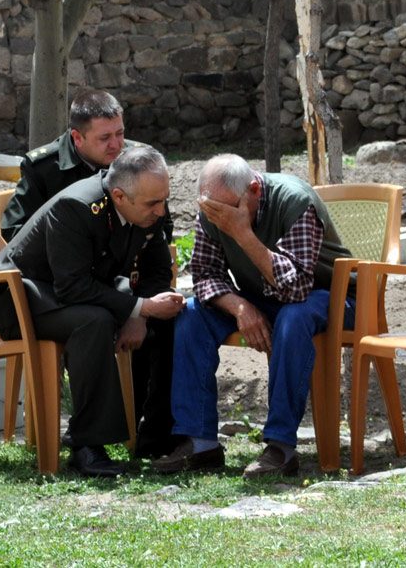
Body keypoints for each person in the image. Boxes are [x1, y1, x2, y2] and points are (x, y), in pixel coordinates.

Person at [0, 146, 185, 477]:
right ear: (119, 196)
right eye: (153, 204)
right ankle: (86, 444)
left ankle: (158, 435)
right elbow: (72, 287)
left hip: (70, 295)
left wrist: (142, 315)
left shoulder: (144, 204)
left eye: (164, 200)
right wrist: (140, 307)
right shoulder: (76, 207)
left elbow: (158, 270)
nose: (161, 211)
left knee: (170, 319)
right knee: (94, 322)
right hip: (18, 299)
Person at [152, 154, 355, 478]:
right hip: (263, 298)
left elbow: (297, 288)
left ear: (255, 190)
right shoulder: (215, 210)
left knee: (293, 318)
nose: (220, 219)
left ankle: (281, 447)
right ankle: (200, 442)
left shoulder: (296, 202)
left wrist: (243, 233)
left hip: (331, 297)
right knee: (191, 314)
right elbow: (204, 274)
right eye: (212, 211)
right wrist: (240, 307)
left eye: (227, 211)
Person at [0, 88, 174, 243]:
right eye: (104, 138)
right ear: (77, 138)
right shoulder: (45, 168)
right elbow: (15, 233)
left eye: (120, 133)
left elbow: (162, 226)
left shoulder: (138, 161)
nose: (116, 145)